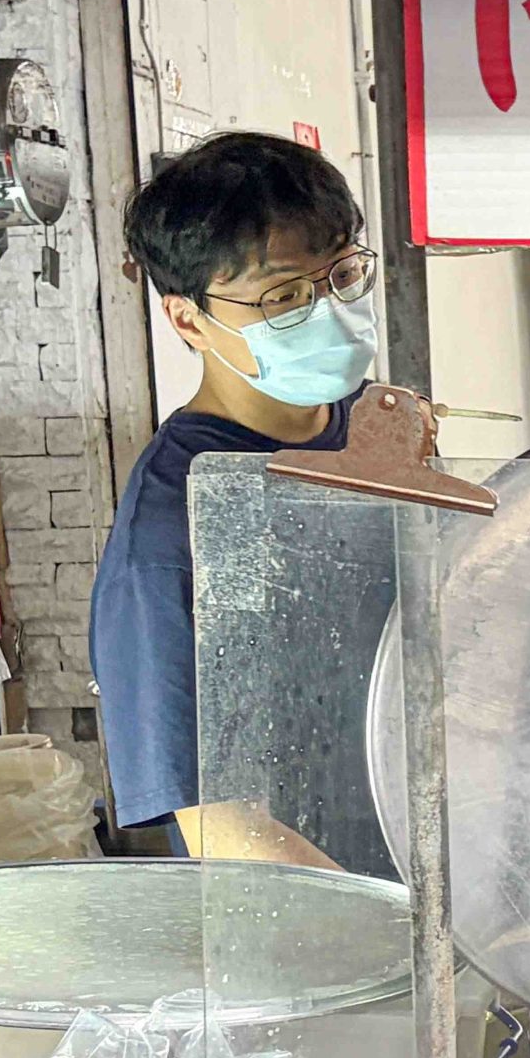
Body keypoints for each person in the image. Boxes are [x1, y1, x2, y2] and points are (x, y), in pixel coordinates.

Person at [90, 132, 379, 868]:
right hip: (322, 937)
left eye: (343, 275)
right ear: (188, 319)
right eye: (285, 295)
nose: (327, 311)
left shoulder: (378, 433)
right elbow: (224, 835)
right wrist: (418, 936)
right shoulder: (172, 536)